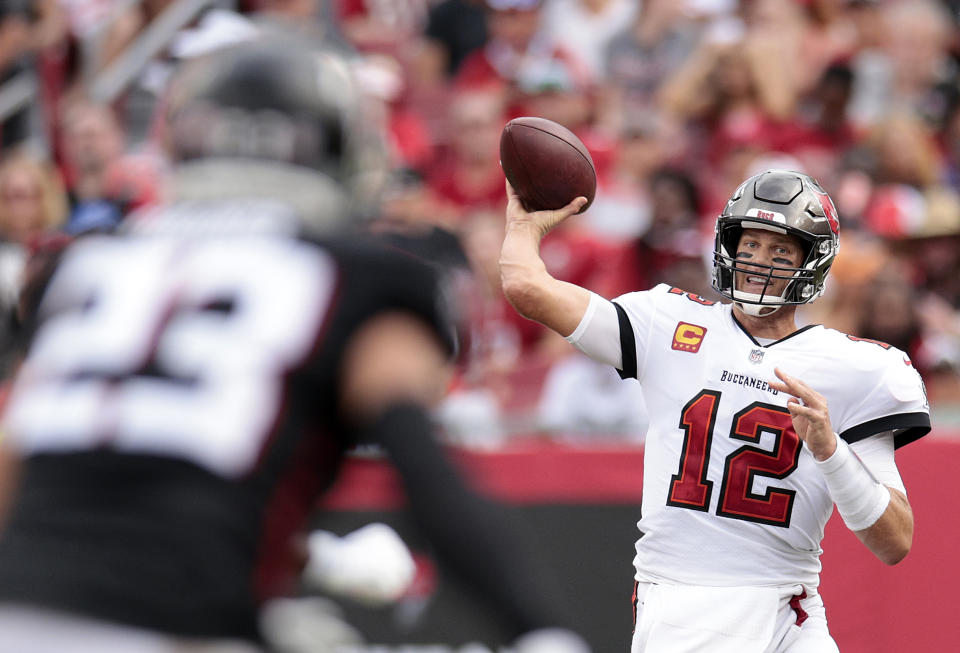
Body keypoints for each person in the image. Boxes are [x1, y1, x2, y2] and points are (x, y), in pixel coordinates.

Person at [0, 36, 590, 653]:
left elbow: (62, 475)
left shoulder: (88, 266)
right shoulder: (355, 275)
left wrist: (313, 560)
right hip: (174, 620)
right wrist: (539, 631)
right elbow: (424, 471)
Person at [499, 168, 930, 652]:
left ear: (813, 262)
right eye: (749, 245)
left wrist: (830, 451)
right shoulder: (667, 323)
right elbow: (528, 288)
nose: (757, 261)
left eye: (779, 250)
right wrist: (524, 226)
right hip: (686, 597)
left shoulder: (857, 368)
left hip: (793, 602)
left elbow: (895, 542)